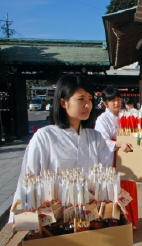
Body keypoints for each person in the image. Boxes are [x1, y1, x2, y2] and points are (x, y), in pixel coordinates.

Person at [10, 74, 113, 222]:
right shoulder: (45, 137)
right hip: (54, 219)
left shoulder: (96, 138)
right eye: (81, 99)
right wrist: (24, 222)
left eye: (90, 99)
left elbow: (105, 177)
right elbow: (28, 180)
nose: (87, 104)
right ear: (64, 102)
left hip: (90, 216)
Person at [95, 87, 138, 228]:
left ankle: (130, 221)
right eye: (112, 100)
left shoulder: (125, 115)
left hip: (126, 159)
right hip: (111, 160)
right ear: (106, 103)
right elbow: (102, 141)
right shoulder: (102, 119)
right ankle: (115, 222)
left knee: (128, 189)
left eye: (118, 100)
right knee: (113, 192)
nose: (116, 103)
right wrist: (119, 143)